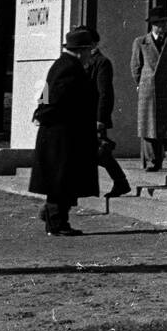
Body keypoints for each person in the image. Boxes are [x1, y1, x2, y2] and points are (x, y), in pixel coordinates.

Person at [30, 29, 100, 236]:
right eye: (89, 50)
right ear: (81, 51)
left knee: (63, 178)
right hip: (62, 134)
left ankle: (56, 218)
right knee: (60, 179)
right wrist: (43, 113)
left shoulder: (61, 65)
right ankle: (56, 222)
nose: (90, 54)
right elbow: (58, 98)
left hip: (61, 133)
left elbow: (45, 93)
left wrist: (39, 112)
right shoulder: (70, 68)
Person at [75, 26, 131, 198]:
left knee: (99, 152)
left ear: (93, 43)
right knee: (94, 153)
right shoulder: (75, 61)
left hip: (92, 117)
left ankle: (120, 181)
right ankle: (120, 181)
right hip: (78, 116)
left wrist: (101, 119)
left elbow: (105, 93)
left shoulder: (101, 62)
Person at [130, 6, 167, 171]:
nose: (162, 26)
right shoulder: (141, 42)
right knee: (149, 126)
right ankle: (152, 161)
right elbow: (135, 66)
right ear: (152, 25)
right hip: (149, 90)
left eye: (164, 22)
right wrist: (142, 83)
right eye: (158, 23)